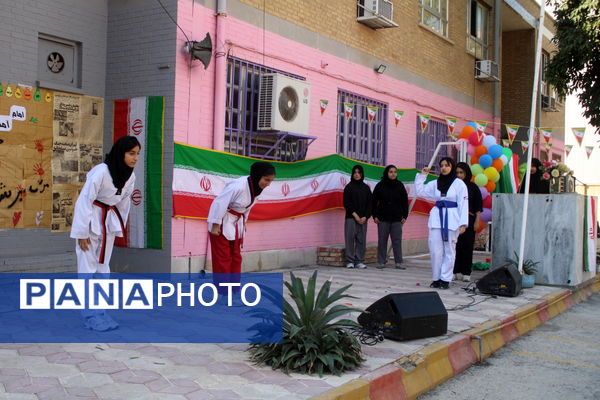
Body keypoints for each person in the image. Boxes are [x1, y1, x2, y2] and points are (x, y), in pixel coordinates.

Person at [70, 135, 140, 331]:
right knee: (87, 268)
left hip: (107, 223)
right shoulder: (101, 172)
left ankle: (100, 311)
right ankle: (89, 315)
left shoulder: (130, 176)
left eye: (137, 154)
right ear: (121, 153)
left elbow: (123, 202)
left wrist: (117, 225)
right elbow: (84, 200)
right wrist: (81, 232)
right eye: (131, 153)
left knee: (103, 268)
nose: (135, 158)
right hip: (91, 221)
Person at [207, 162, 275, 281]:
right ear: (257, 175)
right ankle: (223, 291)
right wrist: (215, 225)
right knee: (223, 258)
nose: (268, 184)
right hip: (222, 222)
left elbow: (246, 208)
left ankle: (233, 289)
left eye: (270, 180)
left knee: (236, 257)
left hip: (236, 224)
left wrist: (244, 223)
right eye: (266, 180)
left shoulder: (256, 187)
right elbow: (219, 203)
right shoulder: (237, 186)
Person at [415, 157, 468, 289]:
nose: (444, 168)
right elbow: (420, 191)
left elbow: (463, 203)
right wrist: (423, 176)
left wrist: (463, 223)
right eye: (442, 165)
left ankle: (445, 279)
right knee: (435, 250)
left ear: (452, 167)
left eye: (447, 165)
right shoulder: (435, 183)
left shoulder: (459, 184)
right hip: (437, 218)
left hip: (452, 219)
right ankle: (436, 278)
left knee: (449, 250)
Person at [372, 165, 409, 270]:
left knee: (397, 240)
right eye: (391, 172)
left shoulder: (400, 185)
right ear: (386, 173)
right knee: (382, 240)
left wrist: (404, 216)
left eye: (395, 172)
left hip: (397, 218)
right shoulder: (380, 185)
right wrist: (374, 215)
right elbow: (374, 201)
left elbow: (404, 202)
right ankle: (381, 262)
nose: (393, 174)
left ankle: (399, 262)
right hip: (382, 218)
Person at [453, 162, 483, 282]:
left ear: (467, 173)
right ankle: (454, 270)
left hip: (469, 219)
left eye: (461, 172)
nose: (459, 175)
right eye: (457, 173)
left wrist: (477, 221)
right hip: (455, 219)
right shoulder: (452, 186)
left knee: (467, 246)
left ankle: (466, 272)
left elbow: (478, 206)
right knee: (455, 245)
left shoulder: (472, 187)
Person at [343, 165, 372, 269]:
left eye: (359, 172)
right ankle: (350, 261)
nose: (357, 174)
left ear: (362, 174)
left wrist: (365, 217)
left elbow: (370, 204)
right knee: (349, 239)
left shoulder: (366, 188)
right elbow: (347, 203)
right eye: (355, 172)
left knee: (361, 239)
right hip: (351, 218)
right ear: (352, 174)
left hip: (363, 219)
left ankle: (359, 261)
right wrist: (356, 216)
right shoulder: (348, 187)